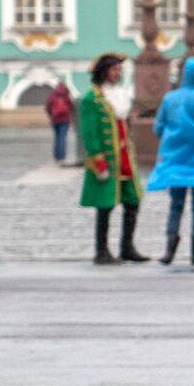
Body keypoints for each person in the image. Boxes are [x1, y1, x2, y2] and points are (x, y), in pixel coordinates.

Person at [146, 58, 194, 271]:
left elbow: (158, 128)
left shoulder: (170, 99)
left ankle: (169, 251)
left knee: (175, 206)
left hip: (175, 162)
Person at [78, 53, 148, 265]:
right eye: (114, 69)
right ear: (103, 72)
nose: (118, 73)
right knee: (105, 206)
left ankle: (127, 247)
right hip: (107, 161)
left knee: (132, 201)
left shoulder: (119, 95)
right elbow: (90, 134)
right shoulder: (92, 100)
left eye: (119, 70)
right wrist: (98, 162)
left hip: (124, 158)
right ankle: (101, 251)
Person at [46, 81, 75, 164]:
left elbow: (48, 107)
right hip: (65, 120)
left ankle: (56, 156)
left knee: (57, 138)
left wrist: (51, 115)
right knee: (62, 138)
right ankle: (62, 157)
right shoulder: (67, 96)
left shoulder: (52, 96)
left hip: (55, 120)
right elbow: (72, 107)